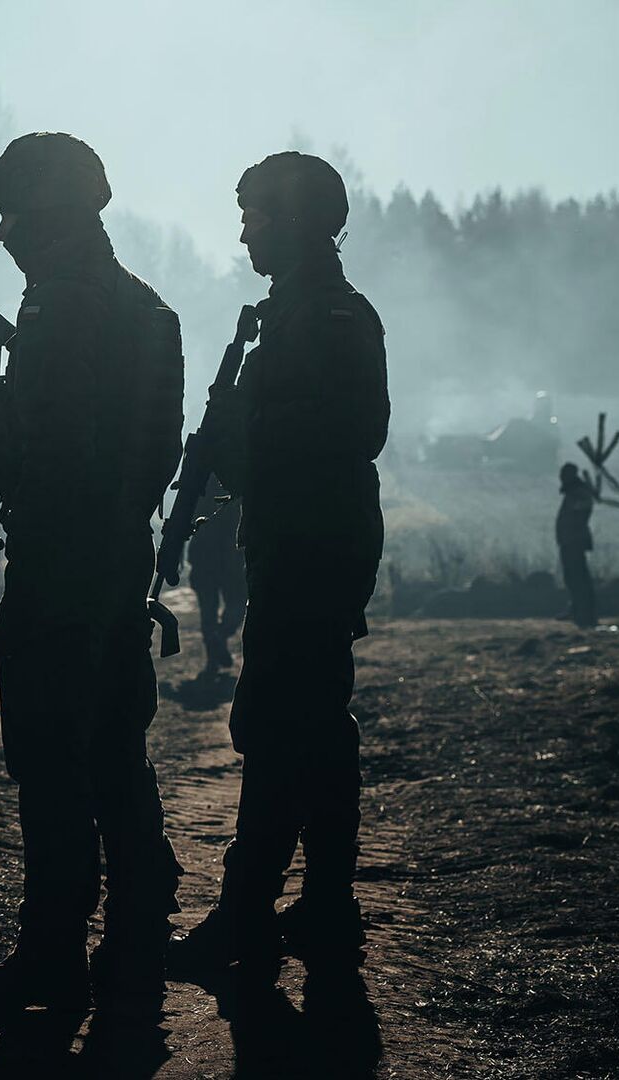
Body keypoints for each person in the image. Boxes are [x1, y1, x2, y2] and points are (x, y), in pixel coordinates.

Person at [0, 132, 186, 1018]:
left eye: (14, 215)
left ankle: (53, 956)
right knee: (117, 752)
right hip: (117, 552)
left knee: (50, 760)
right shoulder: (146, 308)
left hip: (62, 561)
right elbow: (151, 450)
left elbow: (56, 452)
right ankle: (132, 946)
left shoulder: (61, 311)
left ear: (49, 218)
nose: (4, 234)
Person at [171, 152, 389, 982]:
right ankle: (324, 907)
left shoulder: (331, 315)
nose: (243, 232)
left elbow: (348, 431)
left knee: (274, 724)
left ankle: (248, 912)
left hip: (314, 547)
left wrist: (236, 441)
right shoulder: (290, 314)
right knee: (314, 728)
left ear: (294, 223)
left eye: (255, 216)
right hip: (300, 543)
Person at [187, 475, 247, 673]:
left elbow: (184, 513)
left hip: (206, 553)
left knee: (208, 609)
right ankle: (220, 637)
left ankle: (213, 653)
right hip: (230, 556)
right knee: (236, 604)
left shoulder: (199, 477)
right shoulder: (237, 475)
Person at [556, 463, 599, 627]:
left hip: (574, 541)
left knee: (578, 578)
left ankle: (585, 614)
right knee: (573, 578)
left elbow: (583, 509)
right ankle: (578, 611)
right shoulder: (575, 492)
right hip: (570, 541)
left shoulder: (579, 492)